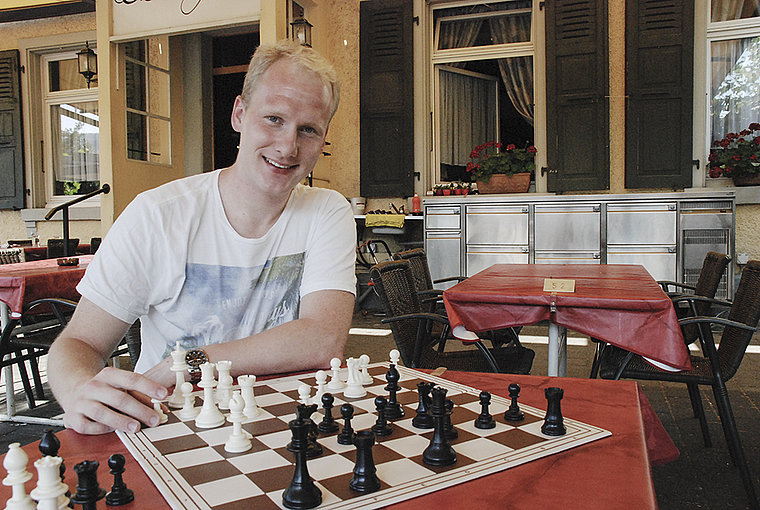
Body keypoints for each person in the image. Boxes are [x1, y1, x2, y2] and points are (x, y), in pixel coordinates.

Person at [48, 40, 356, 435]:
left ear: (324, 138)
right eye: (274, 119)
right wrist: (78, 391)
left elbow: (322, 339)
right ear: (240, 114)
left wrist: (193, 361)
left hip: (285, 424)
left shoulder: (327, 211)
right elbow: (80, 342)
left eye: (308, 130)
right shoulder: (156, 215)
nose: (287, 146)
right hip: (169, 423)